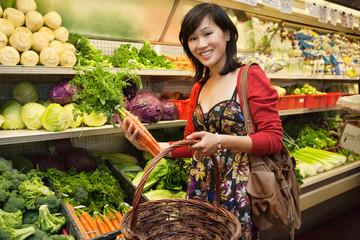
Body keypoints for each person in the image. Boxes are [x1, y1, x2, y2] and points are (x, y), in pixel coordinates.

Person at [120, 3, 283, 239]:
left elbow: (273, 139)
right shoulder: (198, 87)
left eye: (208, 34)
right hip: (201, 188)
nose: (201, 44)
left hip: (239, 191)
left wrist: (220, 141)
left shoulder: (249, 76)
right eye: (193, 38)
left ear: (227, 34)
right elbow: (191, 143)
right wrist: (147, 144)